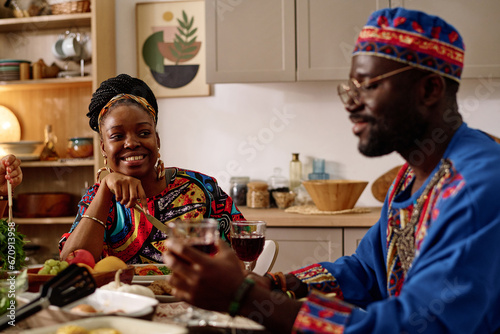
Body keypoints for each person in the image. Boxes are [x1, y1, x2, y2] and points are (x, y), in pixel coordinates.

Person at [163, 7, 500, 333]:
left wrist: (246, 298)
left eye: (368, 86)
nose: (351, 103)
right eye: (350, 88)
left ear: (429, 89)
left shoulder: (476, 186)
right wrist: (278, 285)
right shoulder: (410, 177)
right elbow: (367, 270)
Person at [59, 74, 244, 263]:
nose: (131, 143)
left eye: (144, 133)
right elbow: (70, 263)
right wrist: (106, 188)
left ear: (157, 140)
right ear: (103, 148)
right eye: (117, 136)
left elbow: (242, 253)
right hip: (121, 293)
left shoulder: (201, 188)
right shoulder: (96, 199)